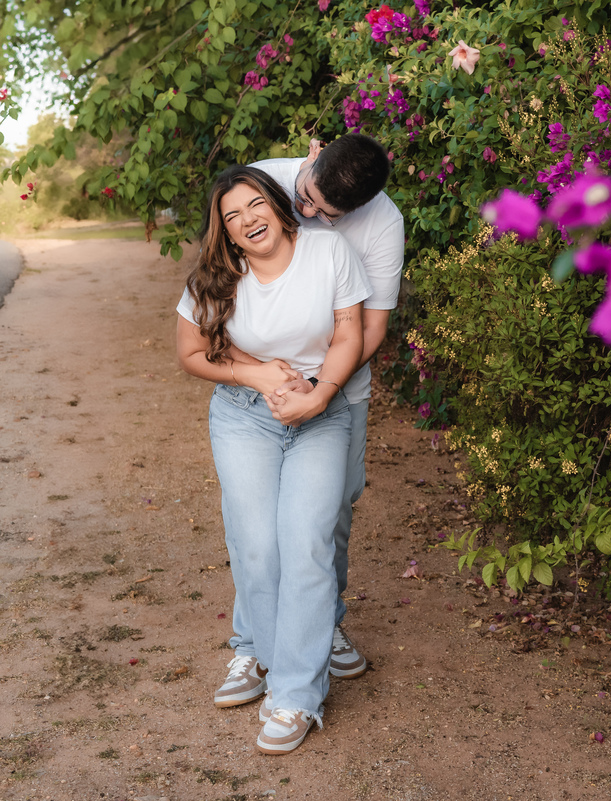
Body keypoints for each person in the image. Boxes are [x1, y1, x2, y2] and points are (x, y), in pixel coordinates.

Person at [176, 165, 372, 754]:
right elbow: (190, 352)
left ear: (278, 205)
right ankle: (263, 655)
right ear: (226, 232)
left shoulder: (328, 251)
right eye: (232, 216)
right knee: (256, 542)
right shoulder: (217, 276)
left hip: (321, 409)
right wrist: (255, 373)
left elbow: (349, 333)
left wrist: (321, 395)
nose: (247, 221)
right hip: (243, 415)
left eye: (254, 205)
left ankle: (294, 695)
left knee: (307, 541)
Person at [210, 134, 405, 707]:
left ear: (361, 208)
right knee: (256, 528)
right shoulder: (259, 185)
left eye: (327, 213)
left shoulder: (380, 226)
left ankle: (321, 627)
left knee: (325, 518)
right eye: (305, 197)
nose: (308, 214)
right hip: (261, 382)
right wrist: (269, 377)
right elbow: (214, 296)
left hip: (341, 389)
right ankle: (255, 642)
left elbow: (368, 330)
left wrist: (319, 390)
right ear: (310, 155)